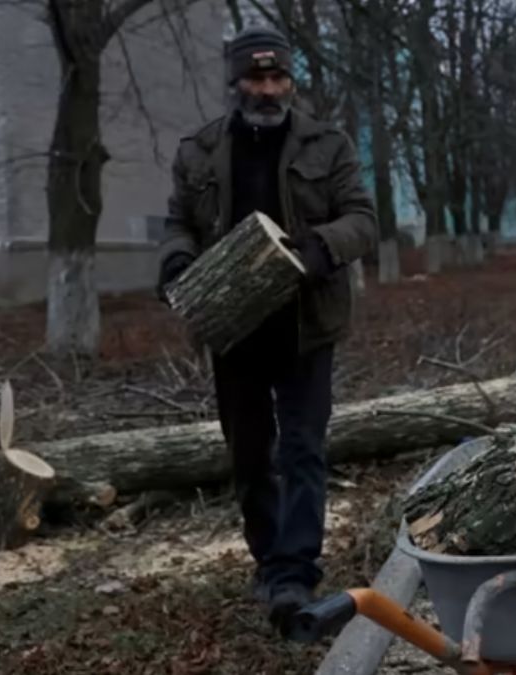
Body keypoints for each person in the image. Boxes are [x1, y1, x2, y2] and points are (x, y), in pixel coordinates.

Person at [156, 25, 377, 632]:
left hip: (307, 326)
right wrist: (174, 260)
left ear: (291, 80)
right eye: (256, 78)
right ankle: (268, 560)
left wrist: (319, 249)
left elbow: (363, 218)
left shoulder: (327, 145)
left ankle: (295, 573)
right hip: (234, 329)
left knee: (304, 448)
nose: (268, 89)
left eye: (277, 77)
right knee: (250, 456)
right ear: (236, 83)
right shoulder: (198, 151)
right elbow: (179, 223)